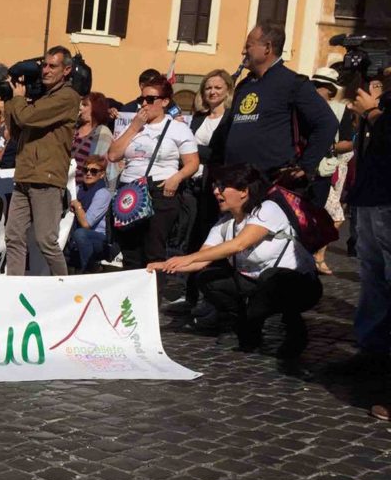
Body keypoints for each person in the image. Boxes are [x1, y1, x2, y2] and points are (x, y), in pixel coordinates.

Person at [150, 164, 321, 368]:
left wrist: (189, 257)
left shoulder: (267, 209)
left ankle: (293, 330)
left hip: (298, 284)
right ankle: (242, 324)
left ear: (243, 191)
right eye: (215, 186)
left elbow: (239, 244)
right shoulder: (224, 223)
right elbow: (201, 261)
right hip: (256, 283)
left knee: (272, 279)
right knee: (208, 279)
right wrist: (164, 266)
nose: (216, 191)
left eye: (222, 186)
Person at [210, 23, 338, 192]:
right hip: (237, 185)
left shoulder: (293, 83)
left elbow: (327, 123)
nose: (243, 51)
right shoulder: (244, 85)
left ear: (267, 48)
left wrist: (305, 165)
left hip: (271, 186)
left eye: (248, 46)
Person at [328, 83, 391, 387]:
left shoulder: (378, 107)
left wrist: (374, 113)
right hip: (370, 195)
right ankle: (372, 351)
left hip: (386, 198)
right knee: (372, 277)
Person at [3, 45, 82, 277]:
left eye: (52, 66)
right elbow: (16, 131)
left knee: (46, 241)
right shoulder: (41, 97)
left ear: (66, 70)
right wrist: (9, 99)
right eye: (44, 65)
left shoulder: (67, 97)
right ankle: (14, 287)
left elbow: (27, 117)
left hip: (47, 178)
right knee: (13, 236)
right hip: (25, 175)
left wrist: (19, 100)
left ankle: (64, 287)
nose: (45, 70)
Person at [108, 77, 200, 271]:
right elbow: (113, 155)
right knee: (130, 253)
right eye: (141, 99)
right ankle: (133, 290)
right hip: (128, 192)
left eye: (150, 99)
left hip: (158, 190)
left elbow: (192, 163)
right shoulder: (134, 126)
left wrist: (176, 178)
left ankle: (155, 290)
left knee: (153, 252)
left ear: (165, 101)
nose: (144, 103)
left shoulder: (178, 128)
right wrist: (134, 127)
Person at [166, 70, 234, 319]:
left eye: (217, 87)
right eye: (208, 88)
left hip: (214, 188)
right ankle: (190, 293)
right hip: (192, 187)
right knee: (191, 239)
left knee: (212, 240)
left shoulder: (230, 119)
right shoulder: (198, 118)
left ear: (227, 90)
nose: (212, 92)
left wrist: (193, 149)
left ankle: (211, 297)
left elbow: (219, 153)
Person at [311, 67, 354, 275]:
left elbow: (348, 142)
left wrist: (327, 147)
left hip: (328, 169)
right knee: (328, 215)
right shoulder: (303, 106)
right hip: (308, 170)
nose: (315, 89)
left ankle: (317, 255)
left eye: (319, 86)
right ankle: (315, 256)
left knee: (334, 216)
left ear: (330, 89)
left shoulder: (339, 110)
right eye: (314, 85)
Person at [65, 154, 111, 273]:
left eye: (94, 171)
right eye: (85, 170)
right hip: (75, 237)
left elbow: (86, 224)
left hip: (98, 238)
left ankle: (91, 268)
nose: (88, 174)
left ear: (102, 174)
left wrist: (78, 206)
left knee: (80, 234)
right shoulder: (77, 189)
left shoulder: (103, 193)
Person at [73, 92, 112, 179]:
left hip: (82, 184)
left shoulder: (103, 133)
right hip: (63, 181)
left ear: (95, 108)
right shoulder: (74, 127)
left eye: (85, 105)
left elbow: (103, 164)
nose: (80, 107)